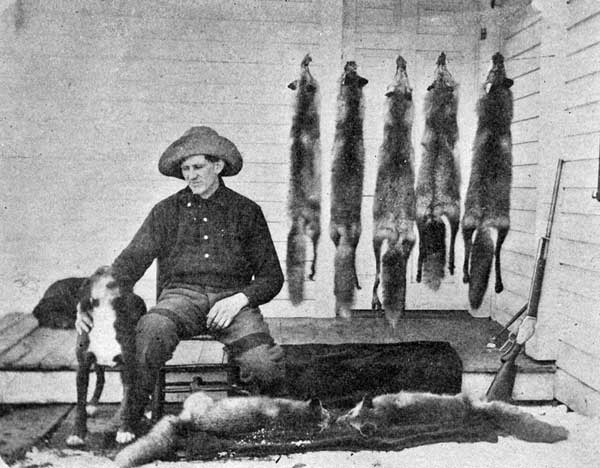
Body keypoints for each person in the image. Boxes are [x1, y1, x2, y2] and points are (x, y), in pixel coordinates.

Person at [76, 126, 286, 426]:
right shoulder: (165, 211)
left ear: (218, 166)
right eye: (186, 169)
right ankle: (131, 414)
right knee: (150, 330)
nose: (191, 176)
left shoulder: (246, 211)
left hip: (232, 304)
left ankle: (257, 422)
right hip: (179, 300)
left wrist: (239, 300)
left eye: (198, 167)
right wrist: (88, 302)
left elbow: (272, 276)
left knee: (264, 365)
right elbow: (126, 266)